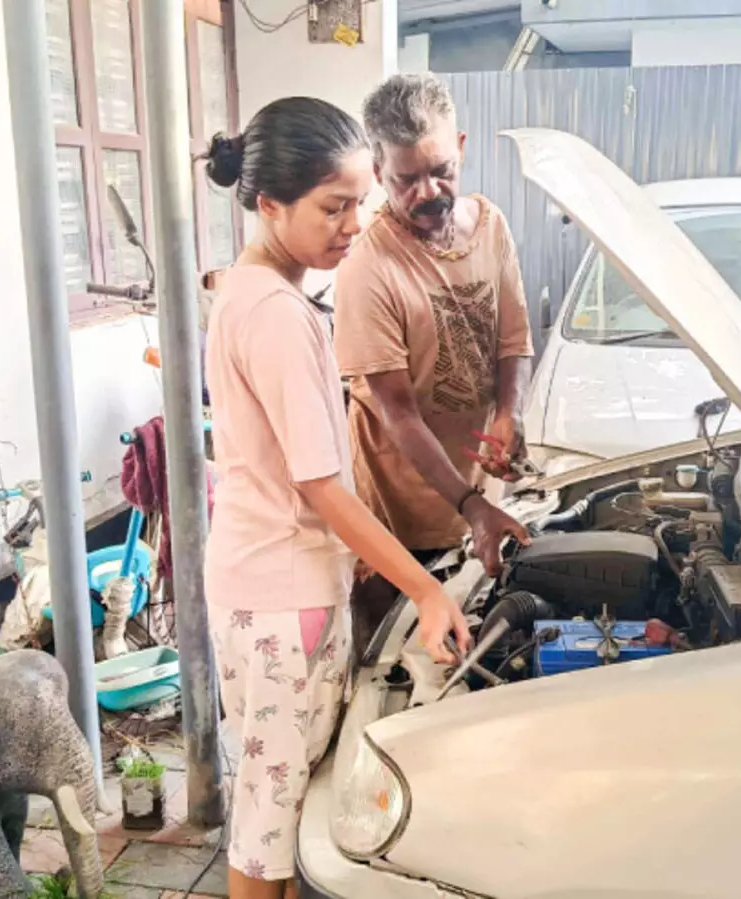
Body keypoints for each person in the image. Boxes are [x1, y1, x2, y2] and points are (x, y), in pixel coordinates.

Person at [200, 96, 470, 899]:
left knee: (275, 807)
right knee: (269, 823)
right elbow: (318, 482)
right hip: (283, 600)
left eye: (360, 202)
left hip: (260, 583)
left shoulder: (247, 291)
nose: (354, 224)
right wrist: (424, 589)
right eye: (333, 207)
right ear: (269, 203)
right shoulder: (279, 315)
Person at [334, 73, 534, 651]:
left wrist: (508, 413)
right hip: (401, 513)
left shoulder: (490, 226)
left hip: (479, 495)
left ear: (461, 148)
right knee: (399, 662)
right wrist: (469, 506)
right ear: (379, 172)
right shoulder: (369, 266)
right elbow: (398, 415)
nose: (428, 191)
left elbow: (513, 339)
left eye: (441, 170)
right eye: (406, 179)